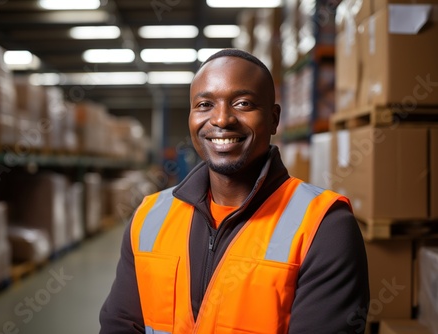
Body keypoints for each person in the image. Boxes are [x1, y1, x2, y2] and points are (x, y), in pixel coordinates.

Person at [99, 49, 370, 333]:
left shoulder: (325, 227)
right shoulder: (150, 218)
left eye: (243, 103)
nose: (222, 119)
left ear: (274, 118)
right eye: (205, 104)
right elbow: (120, 324)